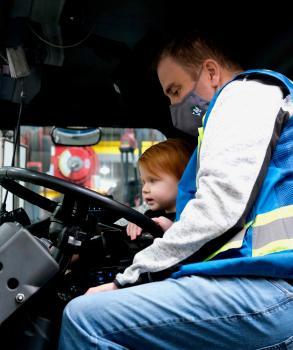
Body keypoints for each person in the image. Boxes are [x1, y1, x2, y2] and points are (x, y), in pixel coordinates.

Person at [58, 30, 293, 349]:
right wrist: (175, 229)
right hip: (265, 283)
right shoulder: (237, 114)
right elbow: (238, 213)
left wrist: (129, 279)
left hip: (273, 291)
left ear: (211, 73)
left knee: (84, 318)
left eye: (176, 90)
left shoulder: (244, 93)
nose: (174, 106)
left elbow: (220, 210)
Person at [126, 138, 194, 241]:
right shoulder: (150, 215)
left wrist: (173, 230)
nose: (144, 189)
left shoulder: (192, 216)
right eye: (143, 182)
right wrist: (134, 226)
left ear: (183, 179)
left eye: (153, 181)